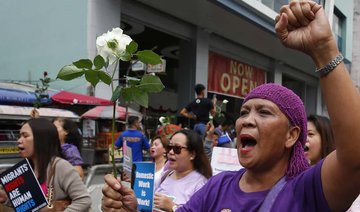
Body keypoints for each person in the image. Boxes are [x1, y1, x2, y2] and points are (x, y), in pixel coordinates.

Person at [101, 1, 360, 211]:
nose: (246, 120)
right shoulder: (217, 187)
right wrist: (129, 209)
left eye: (265, 112)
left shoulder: (307, 190)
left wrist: (324, 48)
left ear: (292, 135)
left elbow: (355, 156)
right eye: (245, 111)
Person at [0, 118, 91, 211]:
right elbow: (30, 205)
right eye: (19, 136)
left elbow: (84, 200)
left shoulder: (60, 166)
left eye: (25, 136)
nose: (19, 140)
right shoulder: (24, 169)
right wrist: (7, 198)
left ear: (41, 139)